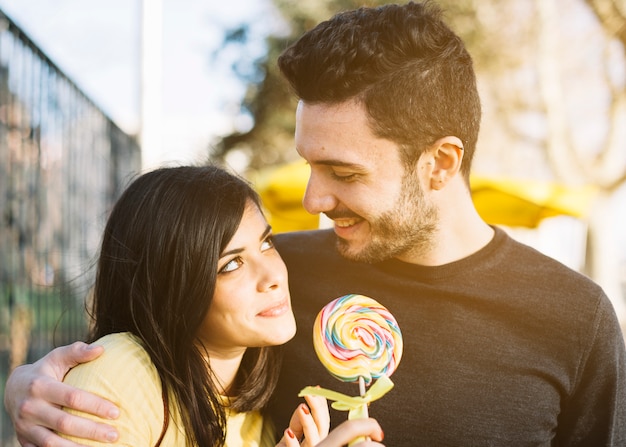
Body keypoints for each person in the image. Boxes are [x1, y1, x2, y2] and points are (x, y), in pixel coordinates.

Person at [5, 1, 626, 446]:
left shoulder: (574, 320)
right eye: (308, 164)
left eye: (343, 172)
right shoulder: (274, 282)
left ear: (440, 163)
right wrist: (39, 389)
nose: (312, 199)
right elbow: (150, 360)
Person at [3, 165, 385, 447]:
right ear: (174, 288)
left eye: (267, 243)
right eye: (230, 264)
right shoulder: (120, 376)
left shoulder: (257, 422)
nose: (271, 274)